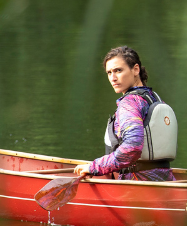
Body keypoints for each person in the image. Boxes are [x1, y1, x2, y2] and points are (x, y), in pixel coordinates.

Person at [73, 46, 177, 182]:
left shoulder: (130, 103)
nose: (113, 78)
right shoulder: (153, 97)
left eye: (118, 71)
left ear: (135, 69)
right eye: (109, 73)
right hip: (164, 177)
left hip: (138, 182)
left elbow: (132, 147)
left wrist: (94, 167)